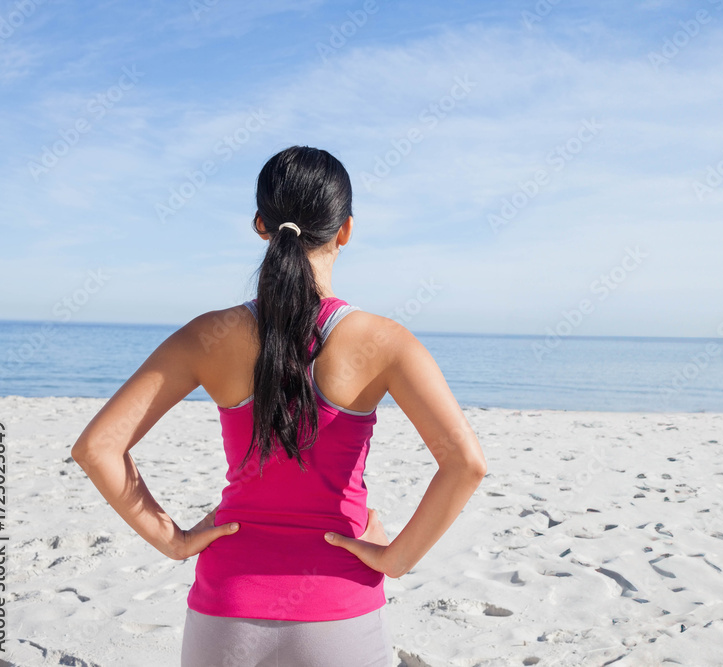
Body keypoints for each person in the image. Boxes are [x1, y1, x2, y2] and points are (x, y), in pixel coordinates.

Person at [70, 146, 488, 666]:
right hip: (339, 610)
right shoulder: (385, 341)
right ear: (346, 231)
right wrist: (395, 559)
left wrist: (173, 541)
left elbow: (97, 448)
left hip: (226, 609)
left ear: (260, 225)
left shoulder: (209, 335)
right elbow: (466, 464)